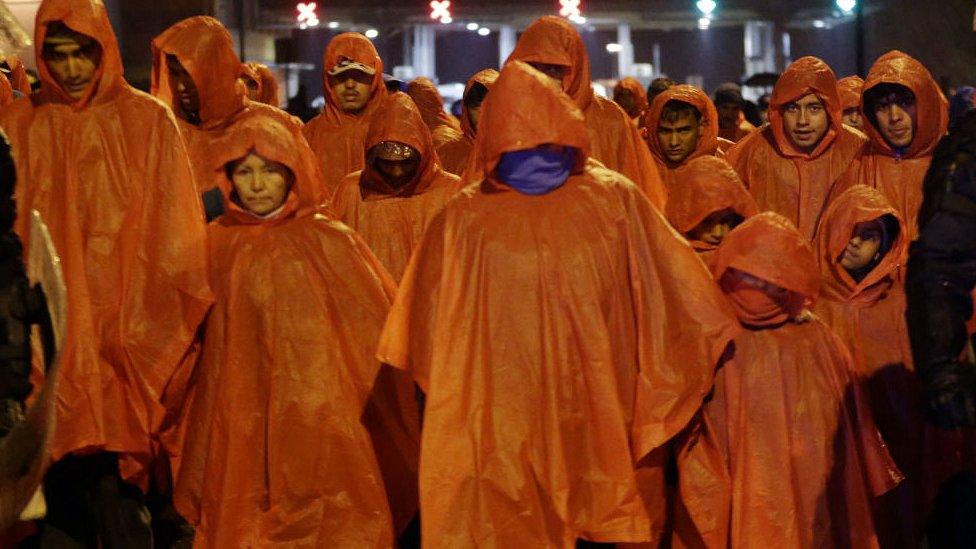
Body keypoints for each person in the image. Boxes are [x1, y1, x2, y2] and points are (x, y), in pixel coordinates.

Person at [376, 60, 738, 547]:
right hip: (587, 413)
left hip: (517, 423)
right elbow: (680, 308)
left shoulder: (471, 215)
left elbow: (428, 346)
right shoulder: (602, 201)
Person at [0, 0, 213, 544]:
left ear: (104, 51)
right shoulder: (22, 123)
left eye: (82, 54)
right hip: (46, 343)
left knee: (116, 500)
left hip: (124, 342)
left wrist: (137, 335)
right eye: (58, 55)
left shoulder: (146, 120)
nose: (71, 70)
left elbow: (173, 243)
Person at [172, 116, 395, 547]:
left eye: (270, 170)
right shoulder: (215, 243)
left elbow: (372, 327)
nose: (256, 185)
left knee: (324, 511)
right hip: (240, 408)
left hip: (320, 409)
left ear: (292, 172)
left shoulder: (330, 239)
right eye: (244, 172)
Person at [675, 212, 902, 548]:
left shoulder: (712, 334)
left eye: (766, 278)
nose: (758, 288)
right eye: (749, 276)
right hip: (793, 494)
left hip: (773, 491)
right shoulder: (813, 339)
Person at [813, 184, 976, 546]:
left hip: (899, 454)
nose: (854, 243)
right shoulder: (811, 309)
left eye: (868, 236)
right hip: (832, 458)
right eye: (849, 230)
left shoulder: (903, 311)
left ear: (885, 247)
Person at [331, 92, 459, 535]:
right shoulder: (351, 191)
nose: (398, 172)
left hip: (434, 350)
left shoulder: (453, 193)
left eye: (407, 161)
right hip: (370, 346)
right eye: (386, 162)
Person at [506, 16, 665, 207]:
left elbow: (638, 200)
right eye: (533, 68)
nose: (542, 78)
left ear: (576, 67)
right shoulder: (507, 117)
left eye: (554, 69)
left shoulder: (611, 121)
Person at [151, 16, 305, 201]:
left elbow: (306, 203)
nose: (181, 86)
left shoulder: (273, 126)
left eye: (192, 74)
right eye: (175, 73)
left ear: (217, 70)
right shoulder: (166, 133)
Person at [726, 56, 865, 240]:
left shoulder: (858, 149)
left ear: (830, 109)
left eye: (813, 108)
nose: (802, 121)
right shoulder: (754, 148)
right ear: (780, 110)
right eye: (793, 108)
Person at [849, 50, 948, 242]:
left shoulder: (950, 165)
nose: (894, 117)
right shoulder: (860, 165)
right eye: (883, 106)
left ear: (924, 103)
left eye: (905, 102)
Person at [304, 32, 388, 195]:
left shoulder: (395, 131)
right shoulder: (307, 136)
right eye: (341, 76)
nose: (350, 84)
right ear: (328, 81)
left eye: (360, 76)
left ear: (375, 79)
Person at [665, 155, 757, 266]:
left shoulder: (749, 254)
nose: (718, 233)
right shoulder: (670, 259)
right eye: (707, 221)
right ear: (686, 215)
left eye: (725, 221)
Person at [641, 84, 730, 192]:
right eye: (665, 131)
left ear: (701, 127)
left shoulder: (726, 163)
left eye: (683, 130)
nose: (674, 142)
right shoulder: (639, 164)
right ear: (654, 130)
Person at [434, 68, 497, 177]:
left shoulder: (518, 152)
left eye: (490, 105)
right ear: (466, 110)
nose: (482, 113)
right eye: (475, 106)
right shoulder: (448, 153)